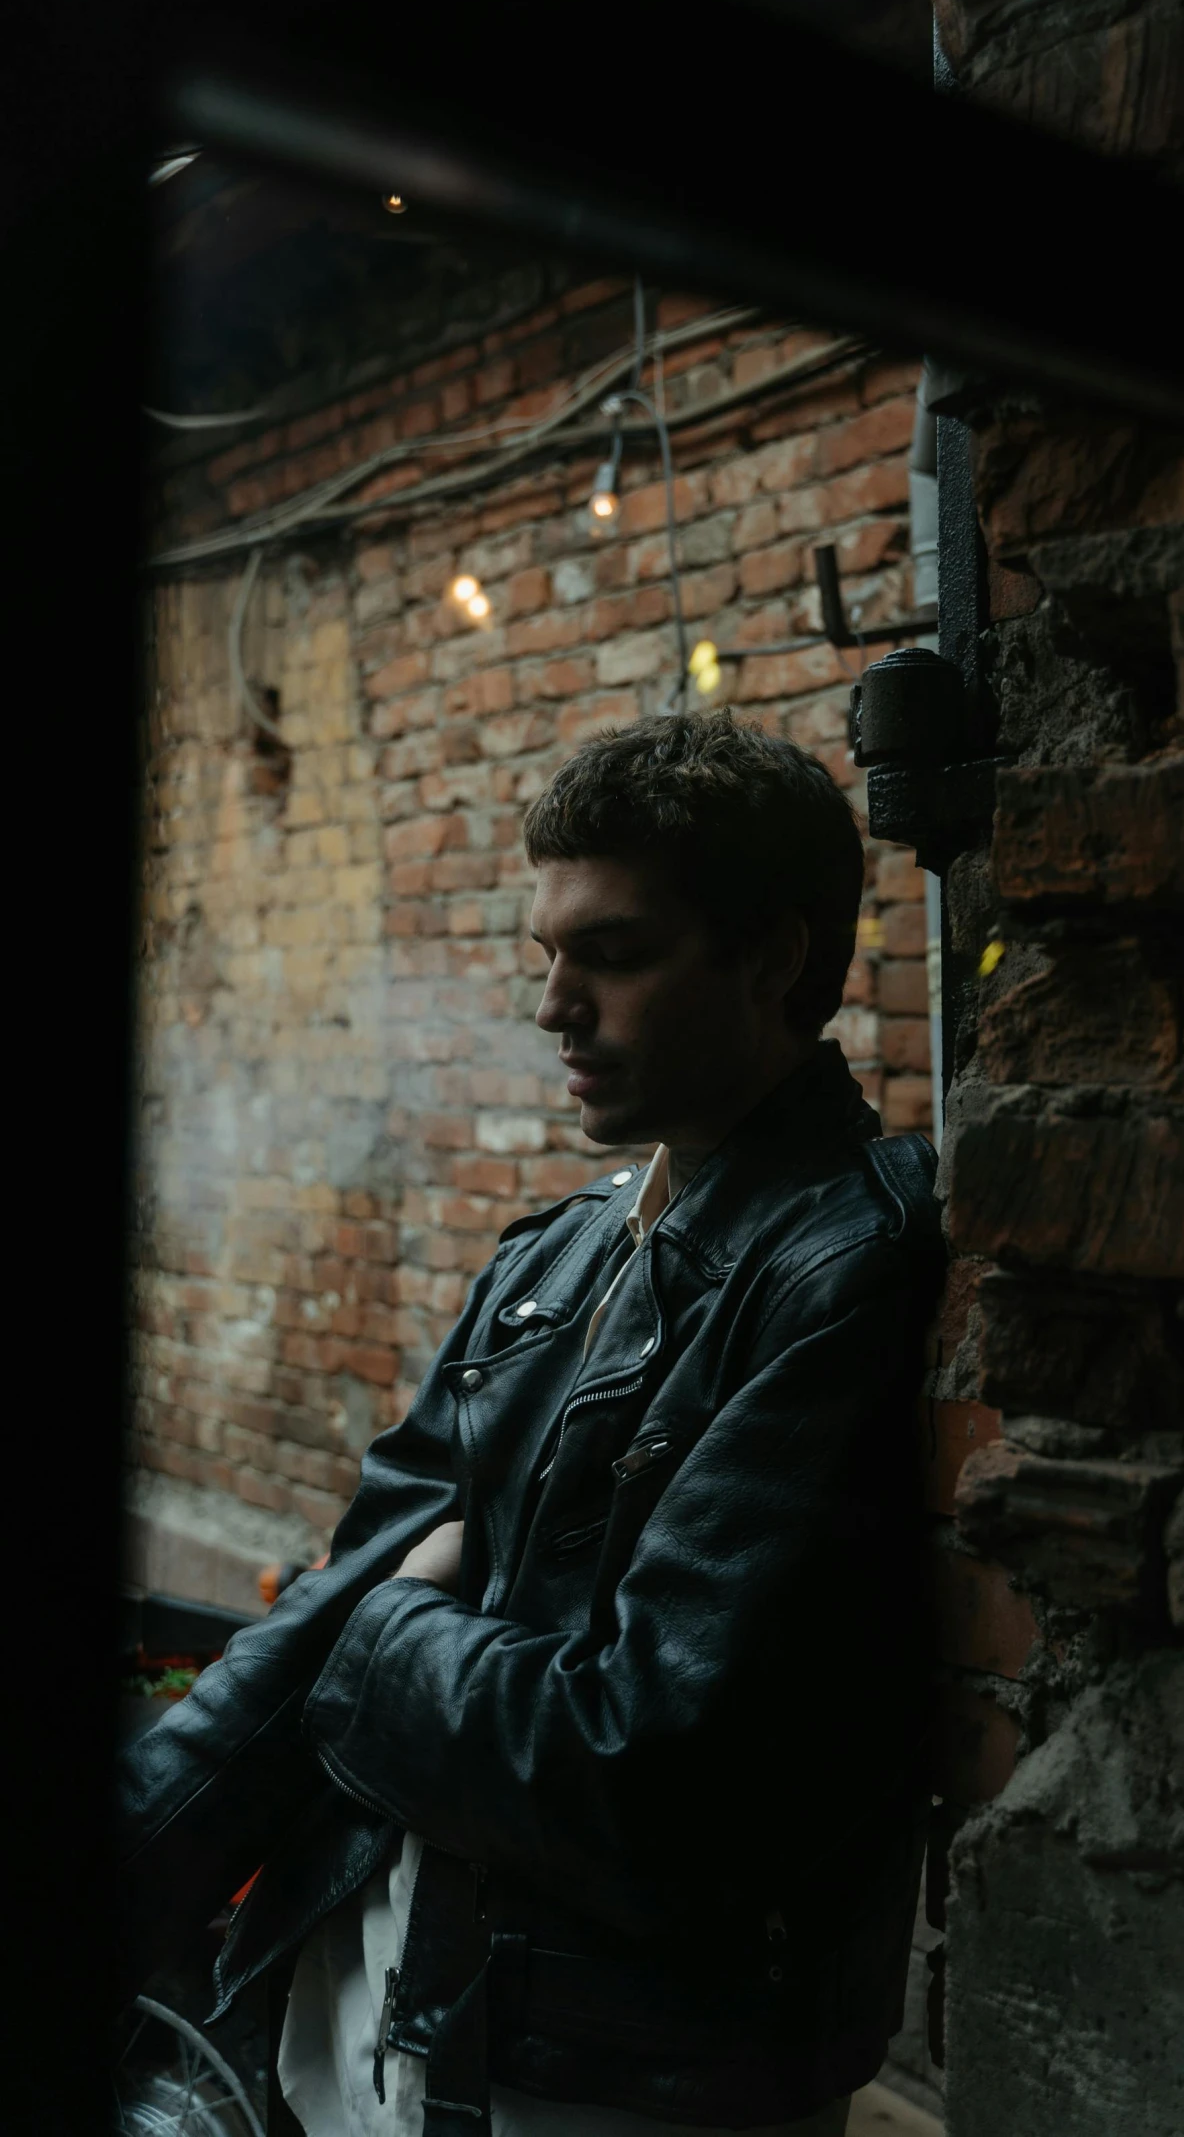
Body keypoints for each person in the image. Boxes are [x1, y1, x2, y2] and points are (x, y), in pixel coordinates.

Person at [120, 712, 945, 2137]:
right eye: (544, 955)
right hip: (366, 2020)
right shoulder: (551, 1258)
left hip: (603, 2083)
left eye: (611, 953)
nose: (554, 1004)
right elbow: (342, 1595)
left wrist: (387, 1633)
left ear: (772, 957)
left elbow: (648, 1760)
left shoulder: (847, 1265)